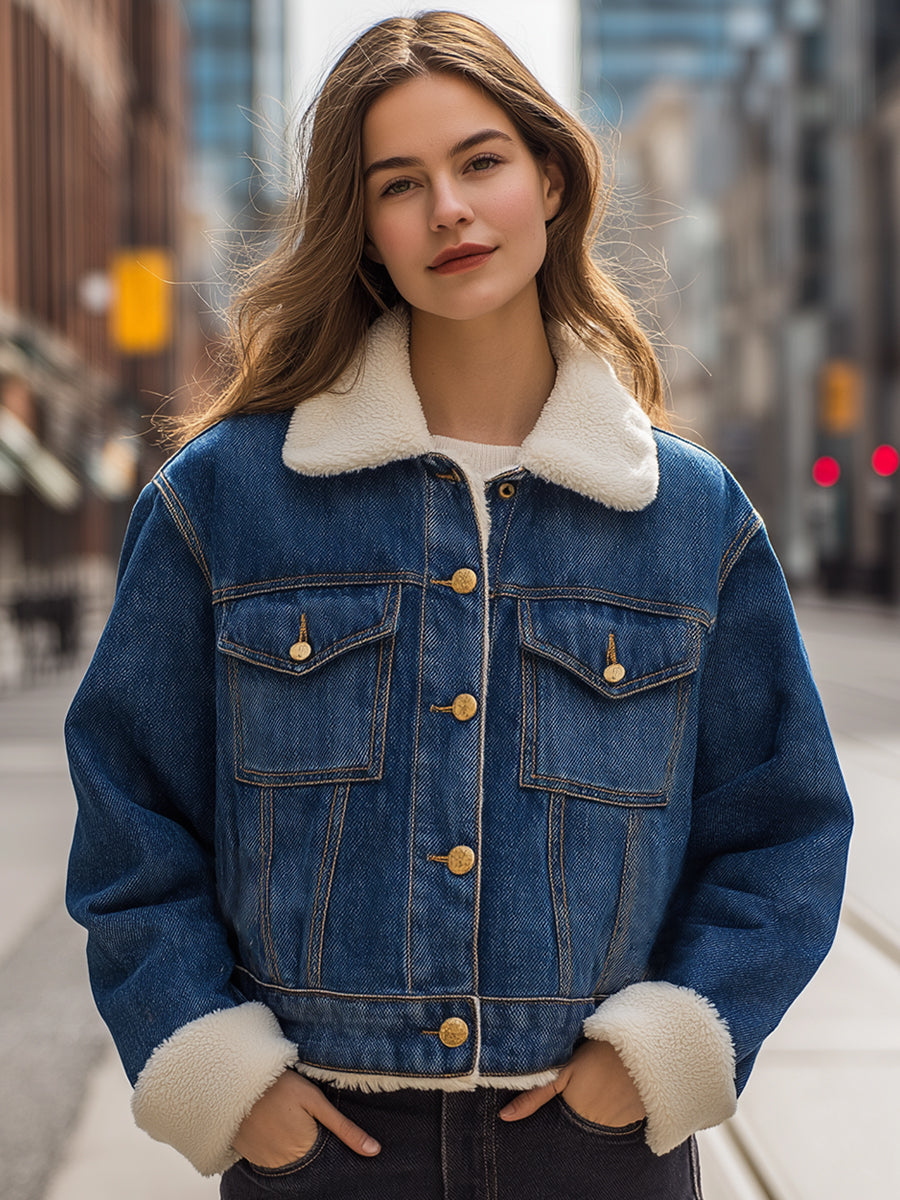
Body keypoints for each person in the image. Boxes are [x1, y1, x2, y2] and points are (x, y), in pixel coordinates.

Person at [65, 11, 852, 1199]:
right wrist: (223, 1078)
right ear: (365, 229)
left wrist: (662, 1051)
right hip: (326, 1152)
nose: (448, 208)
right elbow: (132, 818)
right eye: (400, 183)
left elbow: (784, 826)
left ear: (548, 174)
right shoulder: (224, 501)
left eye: (480, 161)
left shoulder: (689, 518)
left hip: (595, 1154)